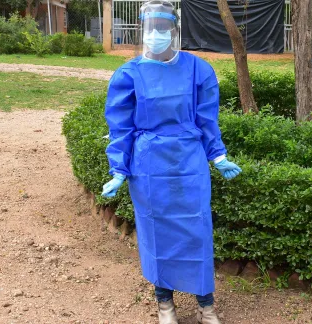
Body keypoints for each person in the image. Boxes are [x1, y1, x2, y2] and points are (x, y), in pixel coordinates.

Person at [101, 1, 241, 323]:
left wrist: (217, 155)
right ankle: (165, 303)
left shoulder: (197, 69)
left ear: (175, 31)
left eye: (163, 29)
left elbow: (207, 119)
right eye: (151, 30)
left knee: (197, 230)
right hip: (148, 166)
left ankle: (206, 305)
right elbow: (120, 127)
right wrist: (119, 170)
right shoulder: (129, 74)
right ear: (142, 32)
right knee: (155, 232)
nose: (156, 36)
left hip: (189, 165)